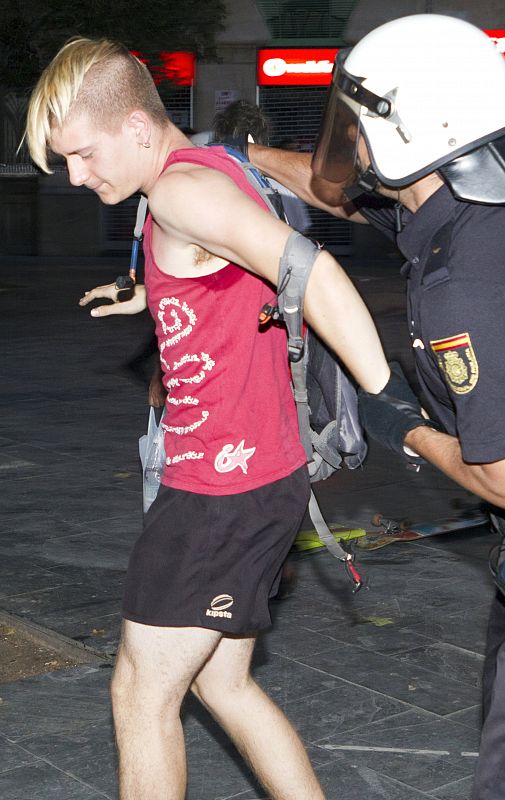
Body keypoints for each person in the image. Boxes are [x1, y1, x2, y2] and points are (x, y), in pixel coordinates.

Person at [25, 37, 391, 800]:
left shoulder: (179, 193)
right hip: (261, 475)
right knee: (222, 686)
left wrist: (386, 393)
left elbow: (305, 266)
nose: (75, 175)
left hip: (222, 492)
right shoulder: (212, 168)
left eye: (83, 154)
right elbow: (225, 277)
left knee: (140, 693)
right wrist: (150, 294)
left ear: (134, 125)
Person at [247, 14, 505, 800]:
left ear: (409, 134)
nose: (351, 142)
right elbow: (341, 197)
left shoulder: (463, 288)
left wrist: (399, 422)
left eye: (361, 126)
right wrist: (233, 157)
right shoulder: (496, 208)